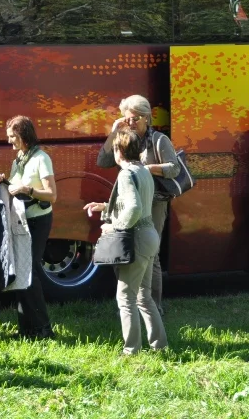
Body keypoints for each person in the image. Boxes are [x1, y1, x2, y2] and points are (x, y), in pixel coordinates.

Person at [85, 129, 167, 355]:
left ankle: (131, 351)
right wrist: (105, 207)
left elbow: (133, 207)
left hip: (138, 237)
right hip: (150, 235)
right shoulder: (142, 170)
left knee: (125, 297)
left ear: (119, 150)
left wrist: (114, 227)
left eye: (114, 149)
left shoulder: (125, 174)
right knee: (144, 296)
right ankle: (160, 346)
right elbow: (136, 202)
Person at [97, 95, 179, 315]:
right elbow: (103, 162)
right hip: (129, 201)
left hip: (154, 202)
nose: (130, 123)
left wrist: (146, 168)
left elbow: (174, 169)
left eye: (134, 119)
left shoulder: (159, 140)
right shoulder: (125, 137)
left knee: (150, 255)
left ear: (146, 118)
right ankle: (130, 303)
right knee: (124, 248)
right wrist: (114, 131)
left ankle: (154, 307)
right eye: (127, 119)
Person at [0, 116, 56, 339]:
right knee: (21, 272)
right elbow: (14, 189)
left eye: (13, 137)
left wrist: (28, 189)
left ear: (24, 135)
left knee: (30, 273)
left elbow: (52, 195)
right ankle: (26, 329)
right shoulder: (19, 158)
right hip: (21, 220)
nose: (10, 141)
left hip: (38, 221)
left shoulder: (41, 158)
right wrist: (3, 181)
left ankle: (43, 329)